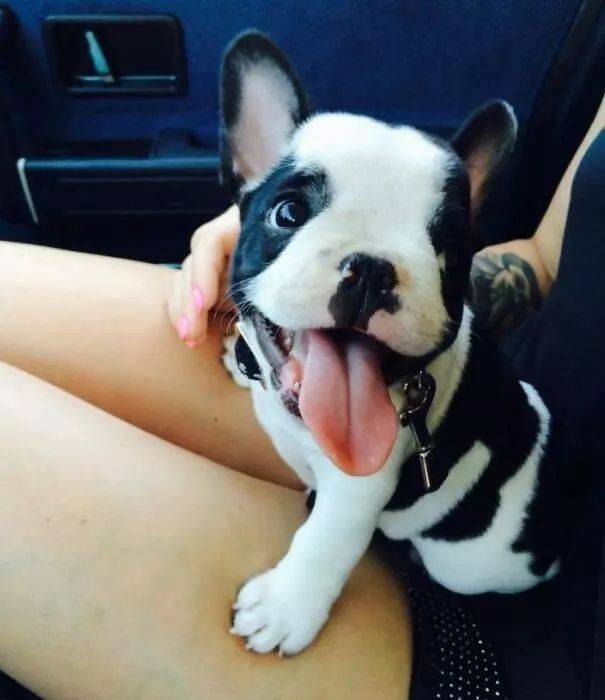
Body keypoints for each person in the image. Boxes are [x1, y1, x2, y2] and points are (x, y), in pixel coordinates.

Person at [0, 94, 602, 700]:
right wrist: (267, 218)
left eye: (435, 243)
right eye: (293, 212)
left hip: (506, 573)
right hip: (527, 378)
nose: (366, 274)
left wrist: (305, 584)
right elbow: (545, 260)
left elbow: (357, 486)